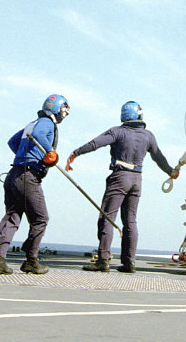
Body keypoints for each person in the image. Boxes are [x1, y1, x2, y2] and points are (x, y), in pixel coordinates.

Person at [66, 101, 178, 273]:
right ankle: (129, 263)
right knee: (130, 221)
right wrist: (170, 172)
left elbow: (96, 143)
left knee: (107, 218)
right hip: (137, 180)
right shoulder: (148, 136)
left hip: (120, 177)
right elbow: (158, 157)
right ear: (139, 115)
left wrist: (76, 153)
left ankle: (103, 260)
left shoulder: (117, 132)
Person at [0, 94, 70, 275]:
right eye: (65, 110)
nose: (65, 114)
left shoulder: (31, 124)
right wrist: (50, 152)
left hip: (13, 175)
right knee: (41, 219)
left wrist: (23, 156)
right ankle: (31, 259)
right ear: (56, 109)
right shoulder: (47, 122)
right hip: (28, 176)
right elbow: (40, 135)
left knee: (13, 216)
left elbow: (12, 142)